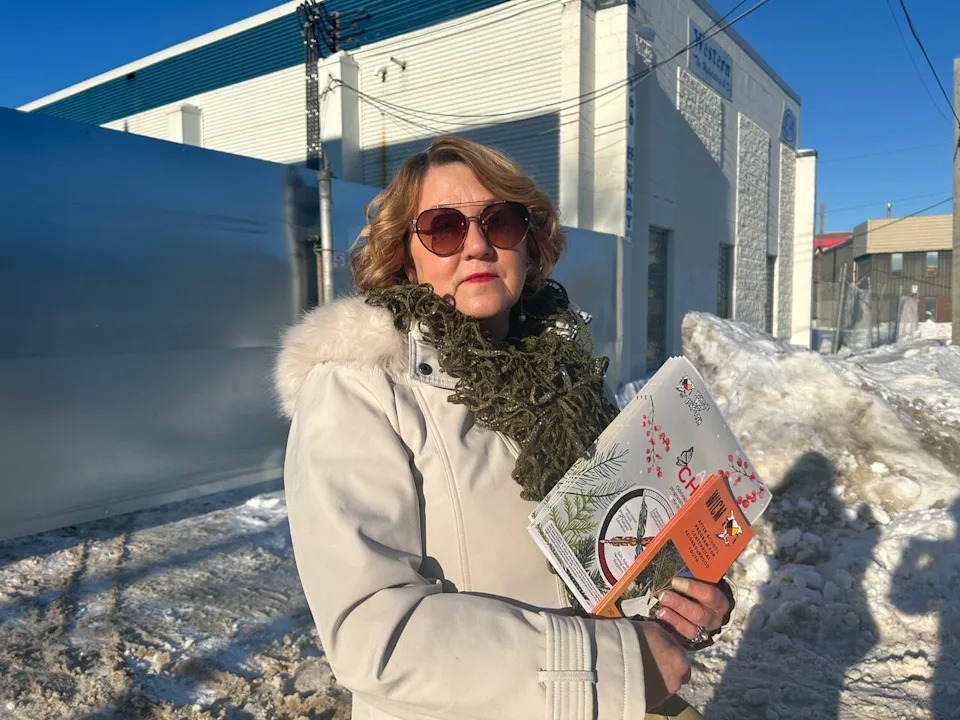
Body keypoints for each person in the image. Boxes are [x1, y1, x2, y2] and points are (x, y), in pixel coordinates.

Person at [274, 137, 735, 720]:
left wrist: (682, 597)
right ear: (404, 257)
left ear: (529, 242)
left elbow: (610, 553)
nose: (477, 245)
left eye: (501, 221)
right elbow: (374, 633)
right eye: (443, 228)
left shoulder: (562, 379)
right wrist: (613, 663)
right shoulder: (358, 388)